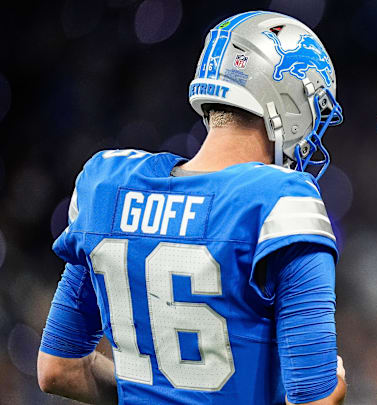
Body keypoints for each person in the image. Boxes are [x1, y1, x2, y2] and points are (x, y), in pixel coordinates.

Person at [36, 11, 346, 405]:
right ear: (289, 102)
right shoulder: (281, 200)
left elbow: (57, 369)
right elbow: (314, 399)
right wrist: (333, 387)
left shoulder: (107, 186)